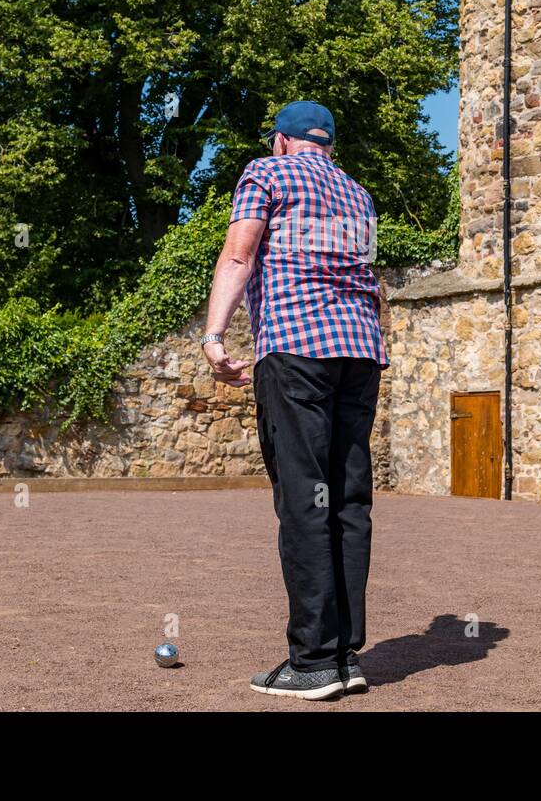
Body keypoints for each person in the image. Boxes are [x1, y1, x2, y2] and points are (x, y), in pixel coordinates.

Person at [200, 99, 387, 701]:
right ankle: (345, 657)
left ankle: (311, 663)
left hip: (298, 348)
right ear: (328, 145)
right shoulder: (359, 196)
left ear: (281, 141)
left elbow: (238, 253)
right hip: (359, 351)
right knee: (347, 497)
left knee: (307, 498)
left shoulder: (266, 174)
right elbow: (370, 280)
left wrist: (214, 335)